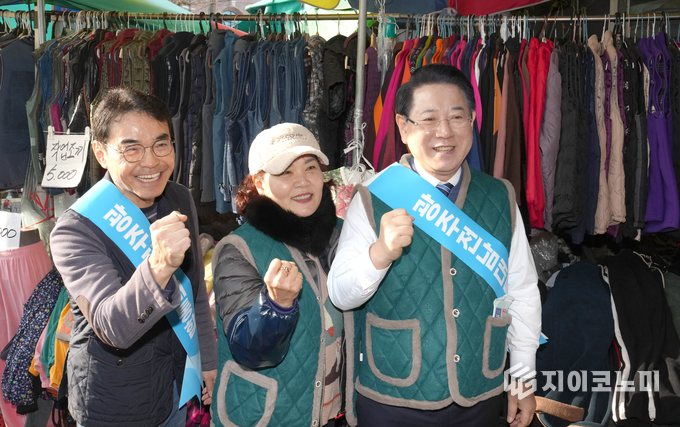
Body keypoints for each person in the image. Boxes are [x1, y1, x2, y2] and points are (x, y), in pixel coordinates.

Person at [328, 64, 541, 427]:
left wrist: (522, 376)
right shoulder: (374, 196)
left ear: (472, 120)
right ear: (403, 126)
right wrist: (379, 255)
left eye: (457, 117)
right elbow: (340, 294)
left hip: (480, 393)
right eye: (428, 119)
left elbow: (521, 289)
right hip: (394, 398)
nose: (444, 131)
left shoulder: (500, 196)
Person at [50, 88, 217, 427]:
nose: (151, 161)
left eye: (161, 144)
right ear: (100, 153)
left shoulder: (179, 197)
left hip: (177, 383)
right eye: (131, 148)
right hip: (116, 401)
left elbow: (195, 289)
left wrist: (208, 361)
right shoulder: (76, 228)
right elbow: (111, 327)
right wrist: (159, 267)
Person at [211, 123, 350, 427]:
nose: (302, 181)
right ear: (260, 183)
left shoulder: (343, 233)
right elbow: (250, 352)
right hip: (268, 416)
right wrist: (276, 306)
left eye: (310, 167)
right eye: (286, 172)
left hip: (333, 412)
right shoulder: (239, 248)